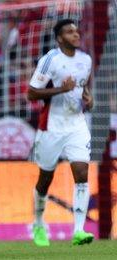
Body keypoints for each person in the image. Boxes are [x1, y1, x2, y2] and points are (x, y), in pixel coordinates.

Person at [28, 19, 94, 247]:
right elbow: (31, 93)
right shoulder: (50, 60)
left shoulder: (86, 60)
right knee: (45, 178)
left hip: (77, 124)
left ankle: (79, 230)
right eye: (69, 32)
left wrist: (89, 98)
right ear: (59, 38)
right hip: (52, 126)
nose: (75, 35)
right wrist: (60, 90)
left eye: (76, 31)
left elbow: (84, 87)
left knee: (82, 172)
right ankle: (38, 223)